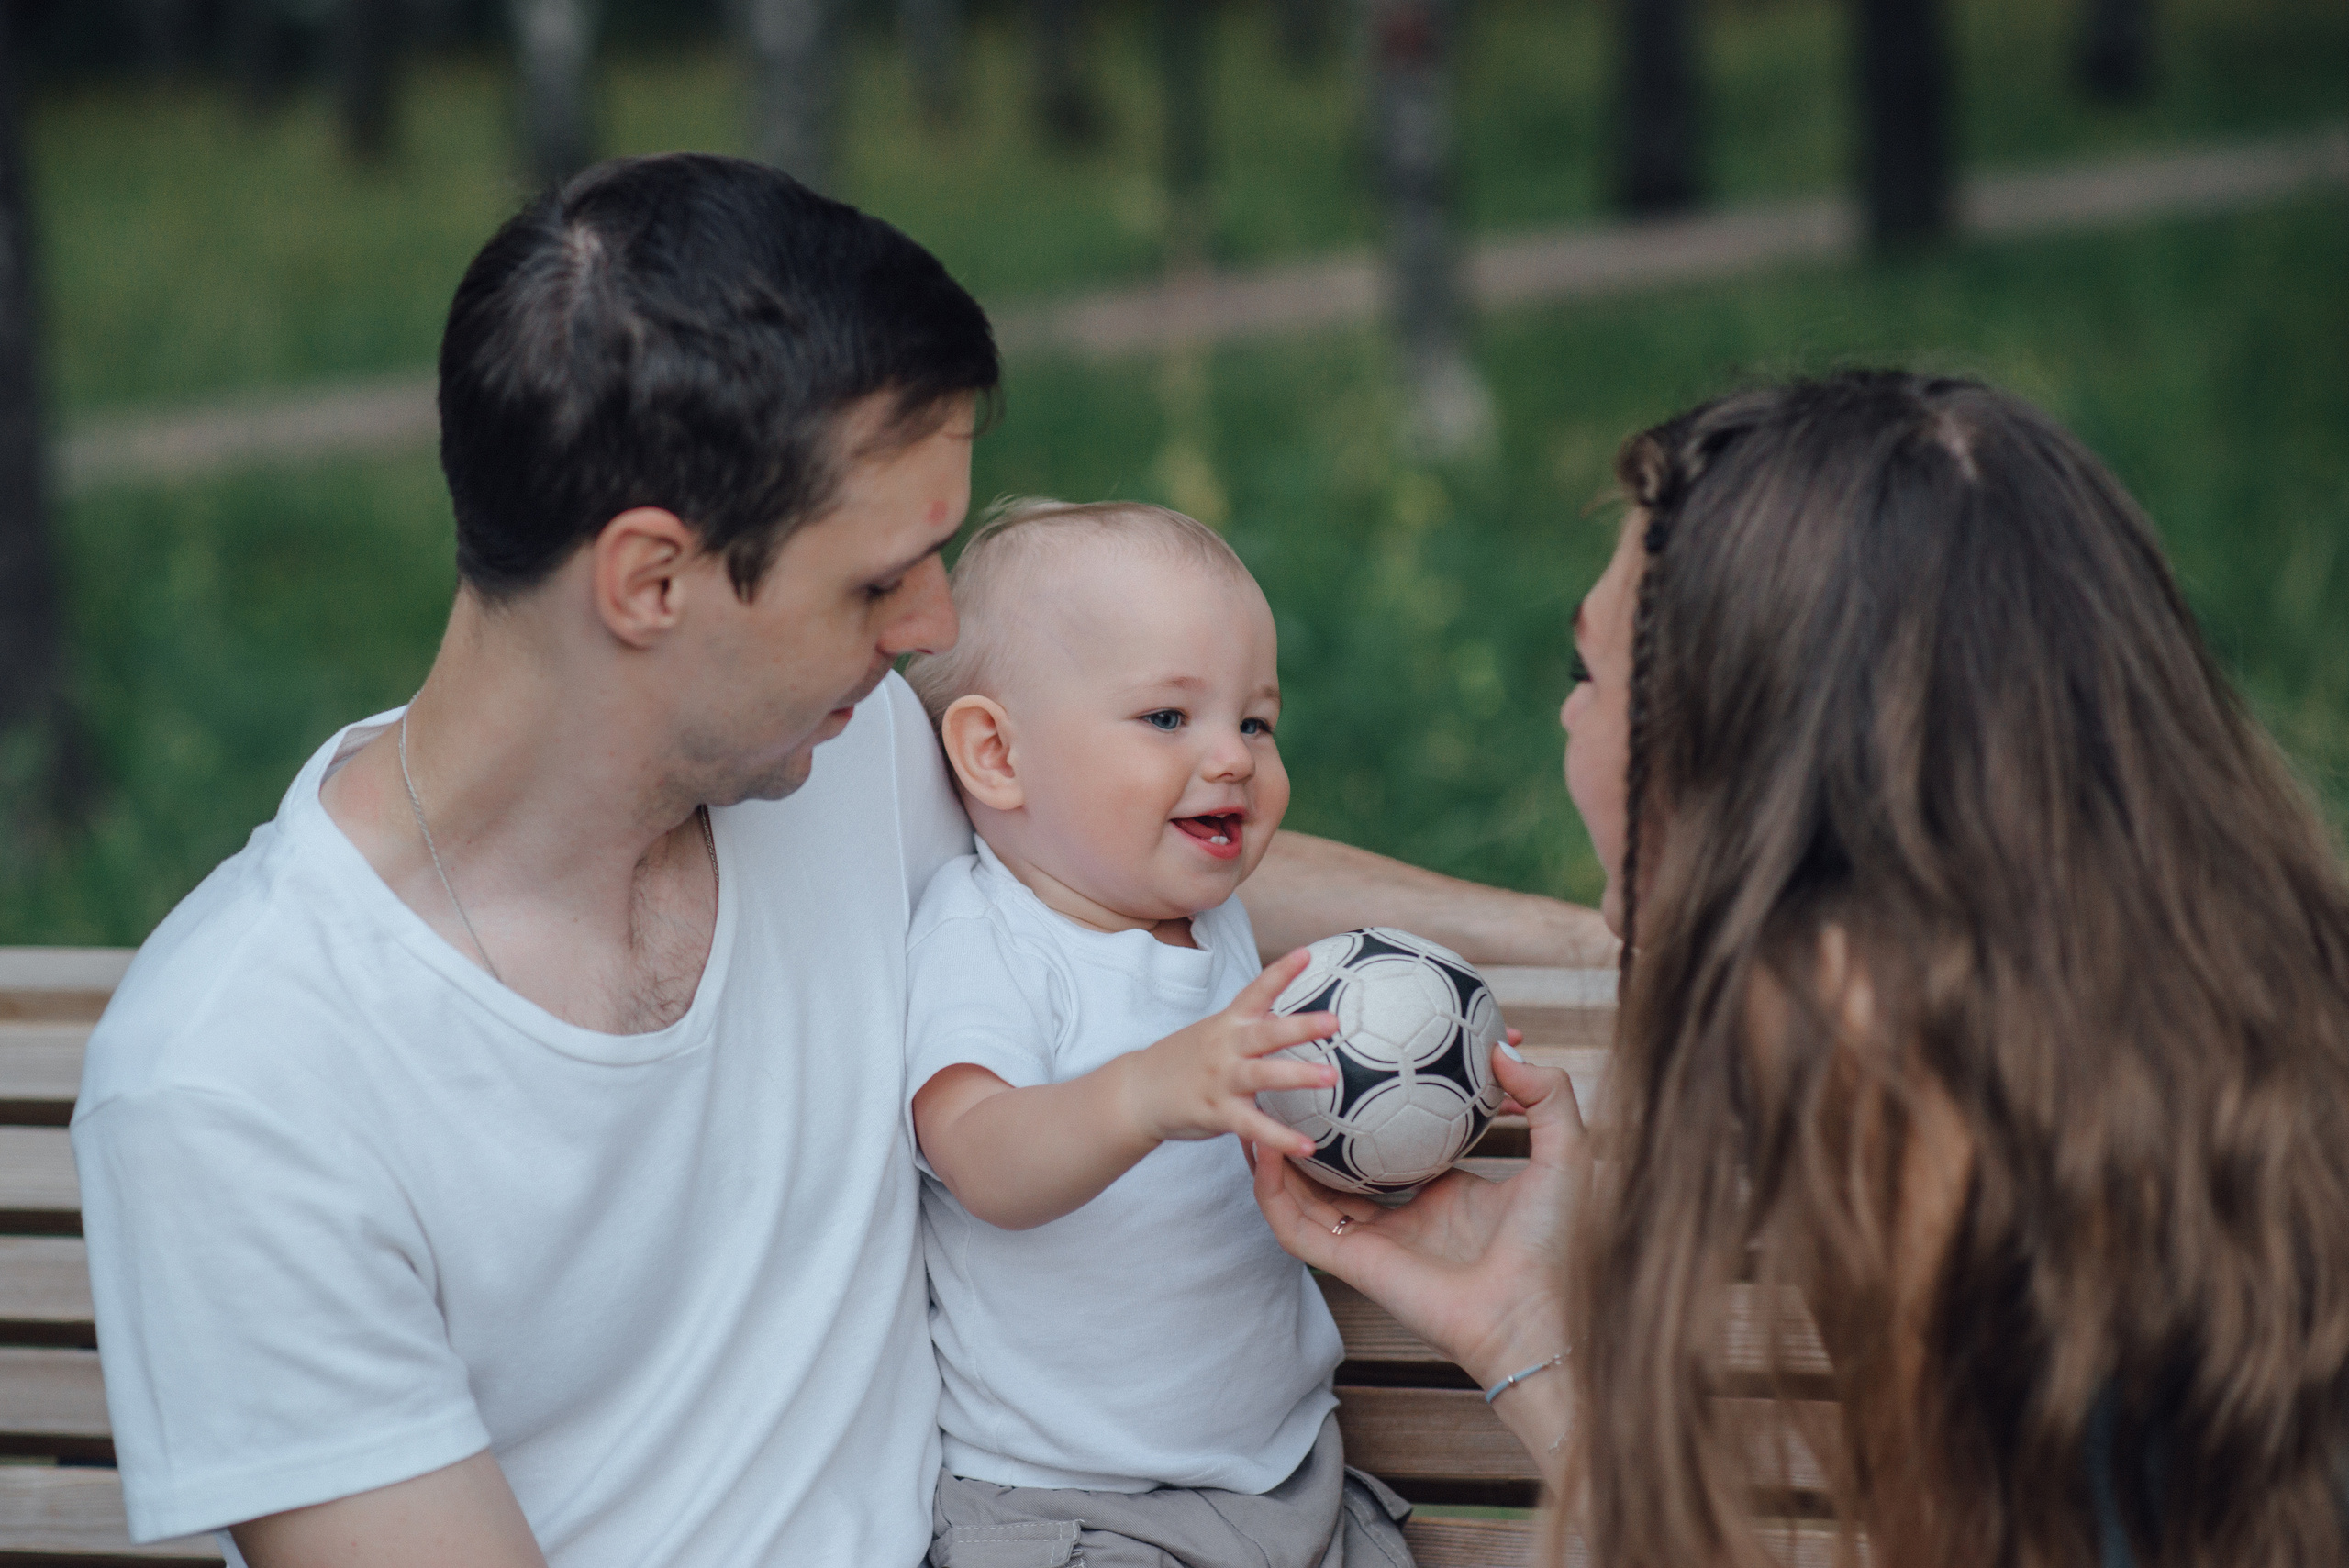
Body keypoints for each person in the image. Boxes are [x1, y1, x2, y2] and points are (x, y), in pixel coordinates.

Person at [70, 154, 1612, 1568]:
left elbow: (1138, 861)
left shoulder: (846, 744)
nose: (932, 628)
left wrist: (1582, 935)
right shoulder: (240, 1080)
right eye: (879, 577)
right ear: (653, 578)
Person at [1253, 371, 2349, 1566]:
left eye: (1589, 680)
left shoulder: (1885, 1079)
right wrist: (1523, 1322)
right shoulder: (2154, 1043)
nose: (1570, 726)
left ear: (1731, 757)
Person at [901, 499, 1416, 1568]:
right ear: (996, 754)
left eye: (1255, 721)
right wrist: (1142, 1092)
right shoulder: (989, 933)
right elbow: (978, 1150)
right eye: (1168, 719)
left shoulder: (1220, 926)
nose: (1231, 757)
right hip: (1079, 1504)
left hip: (1285, 1470)